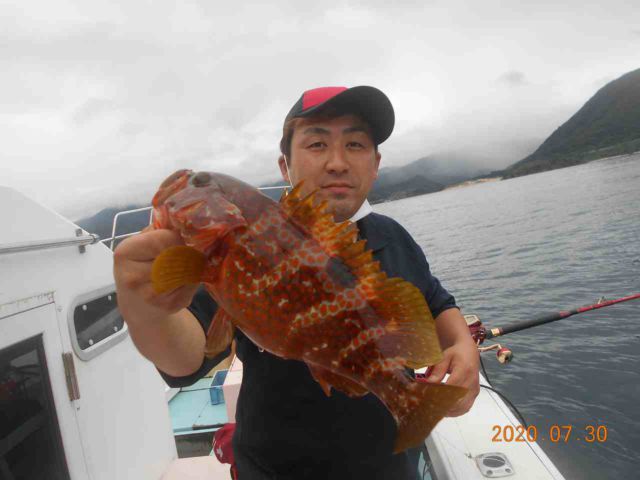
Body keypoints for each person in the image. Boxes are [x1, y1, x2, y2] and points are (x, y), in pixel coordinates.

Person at [113, 85, 480, 479]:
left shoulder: (393, 236)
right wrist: (147, 310)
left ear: (375, 164)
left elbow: (436, 301)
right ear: (285, 166)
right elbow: (186, 359)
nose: (337, 162)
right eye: (317, 144)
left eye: (355, 144)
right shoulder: (235, 246)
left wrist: (462, 345)